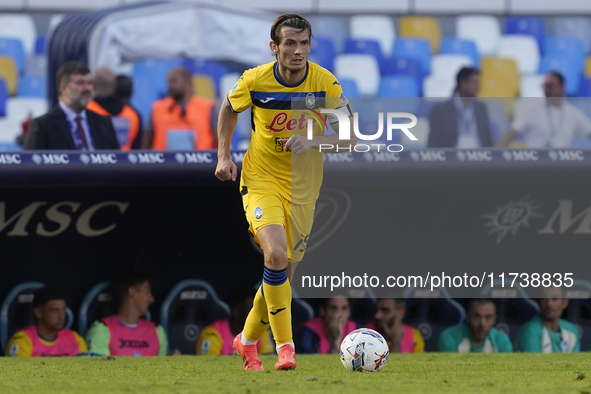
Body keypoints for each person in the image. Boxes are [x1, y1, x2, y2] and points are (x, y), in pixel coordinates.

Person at [214, 13, 354, 371]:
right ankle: (285, 349)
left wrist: (313, 139)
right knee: (274, 255)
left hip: (304, 191)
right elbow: (229, 109)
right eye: (289, 43)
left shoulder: (325, 83)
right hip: (261, 180)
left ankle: (246, 342)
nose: (297, 50)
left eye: (304, 43)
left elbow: (350, 137)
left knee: (280, 277)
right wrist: (224, 156)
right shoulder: (254, 80)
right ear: (274, 47)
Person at [23, 61, 120, 150]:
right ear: (63, 89)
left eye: (90, 83)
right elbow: (30, 166)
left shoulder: (104, 123)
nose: (87, 88)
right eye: (80, 83)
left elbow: (117, 162)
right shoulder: (42, 126)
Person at [498, 71, 591, 148]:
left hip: (562, 167)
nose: (546, 90)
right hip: (536, 166)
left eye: (550, 86)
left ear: (562, 88)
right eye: (544, 86)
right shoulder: (531, 110)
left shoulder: (573, 113)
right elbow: (509, 135)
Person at [85, 272, 168, 356]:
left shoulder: (157, 330)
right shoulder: (102, 329)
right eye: (147, 292)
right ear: (132, 292)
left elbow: (164, 367)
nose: (152, 299)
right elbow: (98, 368)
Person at [146, 66, 216, 150]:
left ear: (188, 83)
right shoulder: (157, 109)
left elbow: (220, 141)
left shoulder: (208, 108)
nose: (170, 86)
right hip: (165, 161)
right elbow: (146, 142)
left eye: (174, 81)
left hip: (201, 161)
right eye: (168, 82)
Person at [6, 286, 87, 357]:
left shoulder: (75, 338)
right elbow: (18, 373)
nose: (62, 317)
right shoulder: (23, 340)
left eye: (63, 310)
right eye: (55, 311)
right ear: (39, 313)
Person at [197, 287, 275, 356]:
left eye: (258, 310)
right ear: (236, 312)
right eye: (251, 310)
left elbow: (268, 361)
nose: (256, 314)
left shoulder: (262, 330)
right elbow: (209, 365)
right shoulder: (212, 332)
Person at [428, 67, 494, 148]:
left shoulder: (481, 108)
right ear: (463, 83)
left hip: (479, 157)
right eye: (475, 82)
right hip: (451, 158)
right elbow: (433, 144)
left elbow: (489, 142)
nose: (478, 87)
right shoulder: (440, 111)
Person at [86, 67, 143, 150]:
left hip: (96, 162)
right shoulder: (132, 114)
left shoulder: (86, 111)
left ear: (93, 85)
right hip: (125, 161)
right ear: (115, 86)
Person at [517, 287, 580, 353]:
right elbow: (534, 363)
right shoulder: (530, 331)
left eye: (554, 299)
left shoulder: (572, 330)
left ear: (565, 303)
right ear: (538, 302)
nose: (549, 304)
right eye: (544, 299)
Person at [438, 299, 512, 353]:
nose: (482, 324)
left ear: (494, 319)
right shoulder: (450, 337)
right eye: (477, 317)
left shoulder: (502, 340)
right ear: (468, 317)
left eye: (488, 318)